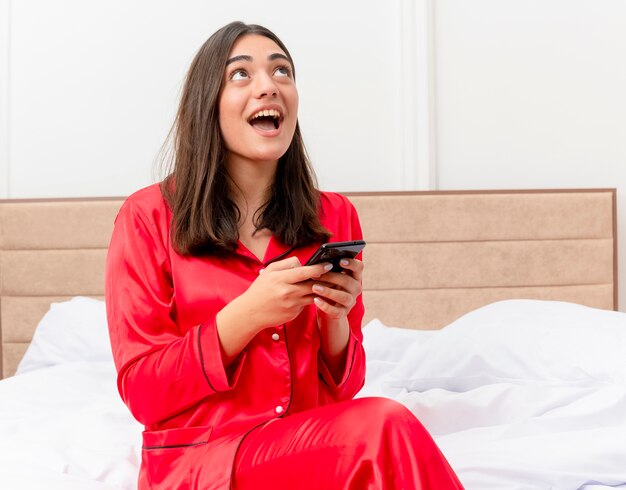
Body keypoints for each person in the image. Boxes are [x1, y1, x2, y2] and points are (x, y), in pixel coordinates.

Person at [105, 21, 464, 490]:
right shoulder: (147, 216)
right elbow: (143, 392)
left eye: (282, 72)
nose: (268, 86)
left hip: (311, 452)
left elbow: (345, 387)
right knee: (383, 426)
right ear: (206, 103)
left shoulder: (334, 214)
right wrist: (247, 315)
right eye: (241, 75)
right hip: (201, 462)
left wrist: (335, 320)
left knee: (376, 429)